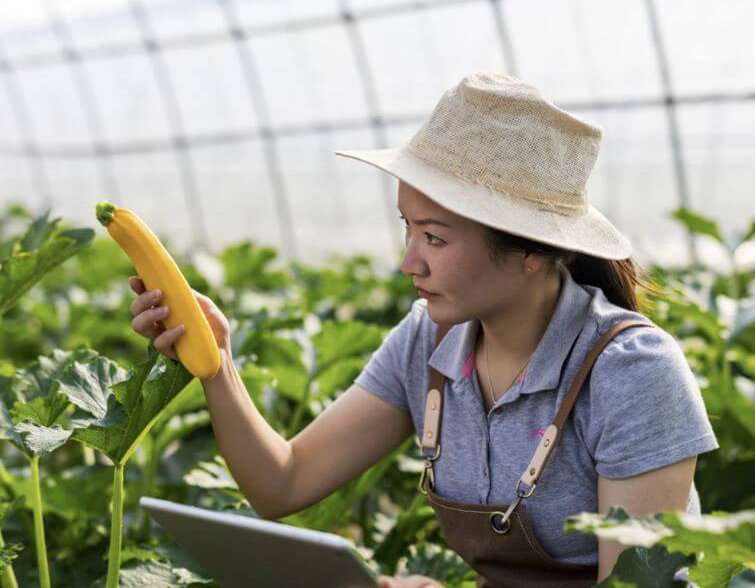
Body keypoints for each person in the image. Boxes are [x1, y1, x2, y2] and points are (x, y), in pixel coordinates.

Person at [128, 71, 719, 587]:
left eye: (434, 237)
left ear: (532, 251)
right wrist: (215, 360)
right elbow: (282, 484)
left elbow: (636, 587)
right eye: (406, 228)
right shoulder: (427, 343)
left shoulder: (631, 371)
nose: (409, 262)